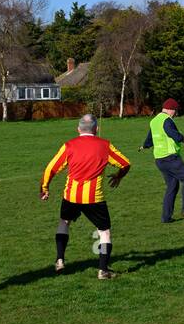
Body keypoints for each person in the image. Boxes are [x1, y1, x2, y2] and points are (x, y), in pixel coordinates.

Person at [41, 113, 131, 279]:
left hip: (71, 196)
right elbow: (125, 163)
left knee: (64, 223)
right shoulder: (105, 146)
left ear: (78, 129)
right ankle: (103, 270)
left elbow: (51, 168)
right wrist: (119, 176)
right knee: (104, 233)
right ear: (96, 129)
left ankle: (60, 259)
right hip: (94, 199)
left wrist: (45, 188)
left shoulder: (69, 145)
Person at [141, 98, 184, 222]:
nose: (176, 114)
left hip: (159, 159)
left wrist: (144, 145)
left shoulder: (154, 121)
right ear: (170, 109)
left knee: (172, 185)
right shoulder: (167, 120)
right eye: (175, 111)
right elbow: (172, 133)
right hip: (170, 158)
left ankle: (166, 217)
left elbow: (150, 137)